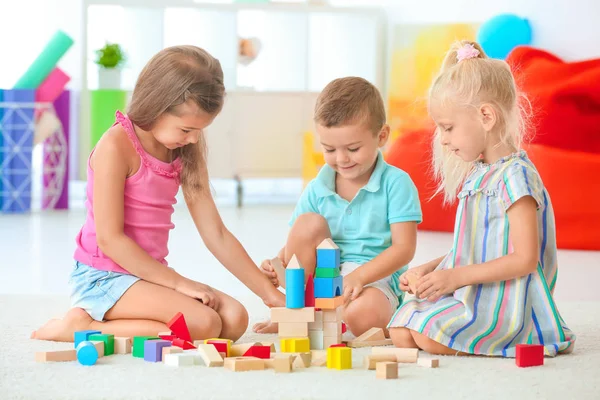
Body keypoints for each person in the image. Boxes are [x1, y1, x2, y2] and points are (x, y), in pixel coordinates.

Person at [32, 45, 285, 343]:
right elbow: (109, 240)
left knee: (233, 319)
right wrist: (178, 284)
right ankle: (83, 327)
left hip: (147, 274)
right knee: (202, 325)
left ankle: (125, 321)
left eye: (199, 131)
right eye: (186, 129)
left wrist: (271, 296)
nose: (193, 139)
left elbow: (215, 233)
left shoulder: (185, 148)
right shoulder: (115, 146)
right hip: (103, 277)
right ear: (156, 106)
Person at [388, 41, 576, 357]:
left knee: (426, 337)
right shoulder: (478, 173)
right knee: (400, 330)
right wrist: (431, 270)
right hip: (473, 292)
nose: (443, 140)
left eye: (447, 128)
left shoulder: (516, 177)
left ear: (486, 116)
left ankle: (498, 334)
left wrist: (454, 277)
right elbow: (475, 247)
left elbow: (525, 258)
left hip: (507, 304)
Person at [254, 77, 422, 337]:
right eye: (329, 149)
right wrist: (278, 263)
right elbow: (298, 240)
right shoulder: (318, 187)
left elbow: (404, 249)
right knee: (308, 223)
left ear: (382, 136)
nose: (341, 159)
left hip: (374, 280)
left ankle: (337, 316)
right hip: (321, 280)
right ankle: (296, 311)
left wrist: (359, 277)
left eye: (353, 148)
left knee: (362, 317)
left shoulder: (396, 183)